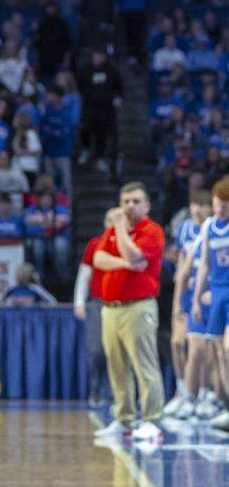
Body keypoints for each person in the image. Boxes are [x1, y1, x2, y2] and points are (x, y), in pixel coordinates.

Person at [93, 182, 166, 442]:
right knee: (116, 365)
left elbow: (135, 254)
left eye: (135, 201)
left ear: (146, 206)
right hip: (111, 308)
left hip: (139, 307)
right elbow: (98, 259)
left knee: (144, 364)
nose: (129, 207)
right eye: (125, 202)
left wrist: (121, 229)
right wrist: (125, 263)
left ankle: (151, 420)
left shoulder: (152, 231)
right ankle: (124, 419)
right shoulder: (112, 231)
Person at [165, 190, 220, 420]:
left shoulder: (214, 230)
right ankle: (184, 391)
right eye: (193, 205)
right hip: (190, 295)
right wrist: (178, 302)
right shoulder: (186, 229)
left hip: (212, 294)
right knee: (178, 343)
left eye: (202, 205)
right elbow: (182, 269)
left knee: (205, 350)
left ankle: (203, 394)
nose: (196, 209)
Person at [191, 179, 229, 431]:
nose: (220, 211)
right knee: (216, 350)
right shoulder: (208, 227)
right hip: (216, 292)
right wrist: (196, 296)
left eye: (225, 207)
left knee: (227, 347)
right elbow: (204, 263)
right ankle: (225, 402)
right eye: (217, 206)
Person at [74, 208, 119, 408]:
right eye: (110, 219)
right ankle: (95, 390)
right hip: (98, 304)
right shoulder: (95, 245)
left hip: (121, 304)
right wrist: (79, 301)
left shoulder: (127, 244)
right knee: (96, 350)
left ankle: (114, 393)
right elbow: (84, 275)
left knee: (117, 351)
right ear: (104, 222)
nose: (113, 223)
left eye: (117, 219)